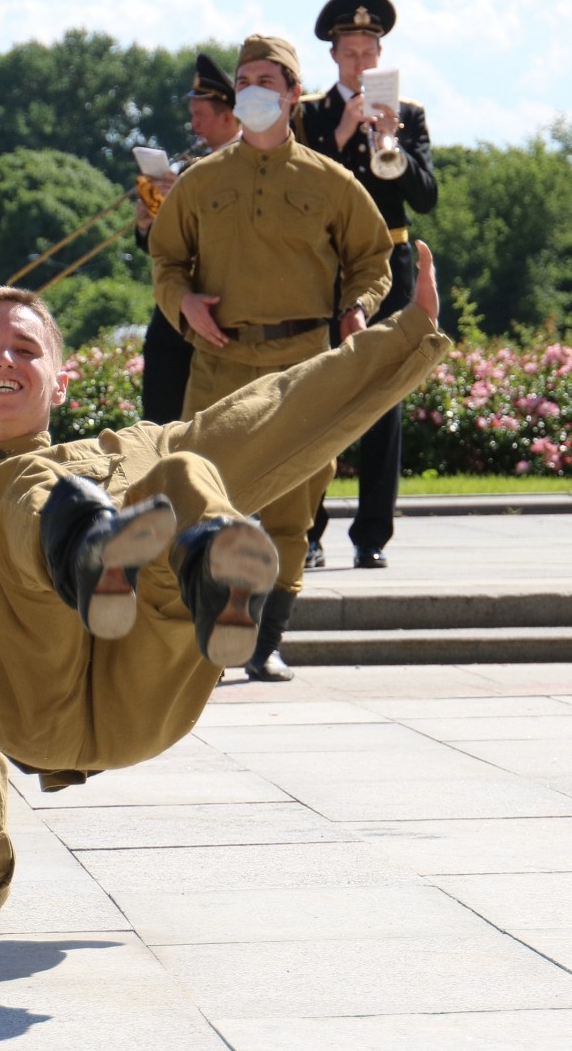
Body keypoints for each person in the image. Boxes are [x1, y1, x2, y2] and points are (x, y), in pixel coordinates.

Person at [0, 244, 447, 917]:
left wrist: (403, 336)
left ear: (62, 382)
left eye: (27, 349)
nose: (6, 359)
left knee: (186, 474)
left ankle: (212, 575)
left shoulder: (134, 452)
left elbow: (273, 413)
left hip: (149, 693)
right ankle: (84, 551)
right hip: (35, 706)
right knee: (24, 485)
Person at [148, 34, 393, 682]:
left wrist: (357, 307)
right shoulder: (200, 183)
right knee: (200, 501)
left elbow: (373, 258)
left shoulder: (329, 180)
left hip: (303, 365)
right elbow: (166, 262)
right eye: (245, 78)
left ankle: (266, 642)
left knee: (292, 511)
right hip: (219, 365)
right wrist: (185, 305)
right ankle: (206, 631)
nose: (254, 88)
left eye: (267, 78)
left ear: (291, 92)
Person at [298, 0, 438, 571]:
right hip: (326, 266)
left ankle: (372, 534)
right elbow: (302, 190)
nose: (360, 64)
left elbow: (426, 196)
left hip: (391, 259)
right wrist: (342, 133)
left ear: (382, 54)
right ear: (334, 57)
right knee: (317, 397)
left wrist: (393, 145)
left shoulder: (409, 116)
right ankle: (307, 529)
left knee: (385, 395)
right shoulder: (309, 113)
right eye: (350, 53)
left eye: (369, 52)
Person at [135, 52, 241, 423]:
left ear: (228, 115)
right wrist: (148, 222)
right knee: (161, 415)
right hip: (176, 313)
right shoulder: (186, 170)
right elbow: (161, 251)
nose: (193, 126)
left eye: (200, 116)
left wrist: (185, 200)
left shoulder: (251, 169)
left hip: (227, 311)